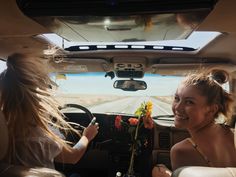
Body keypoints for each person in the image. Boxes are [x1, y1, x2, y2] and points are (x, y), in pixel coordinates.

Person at [0, 53, 98, 170]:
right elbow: (73, 157)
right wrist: (87, 136)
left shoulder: (4, 129)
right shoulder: (39, 136)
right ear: (38, 96)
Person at [152, 70, 236, 177]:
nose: (178, 107)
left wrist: (167, 175)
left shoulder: (181, 150)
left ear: (212, 110)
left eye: (189, 102)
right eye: (177, 98)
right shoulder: (233, 134)